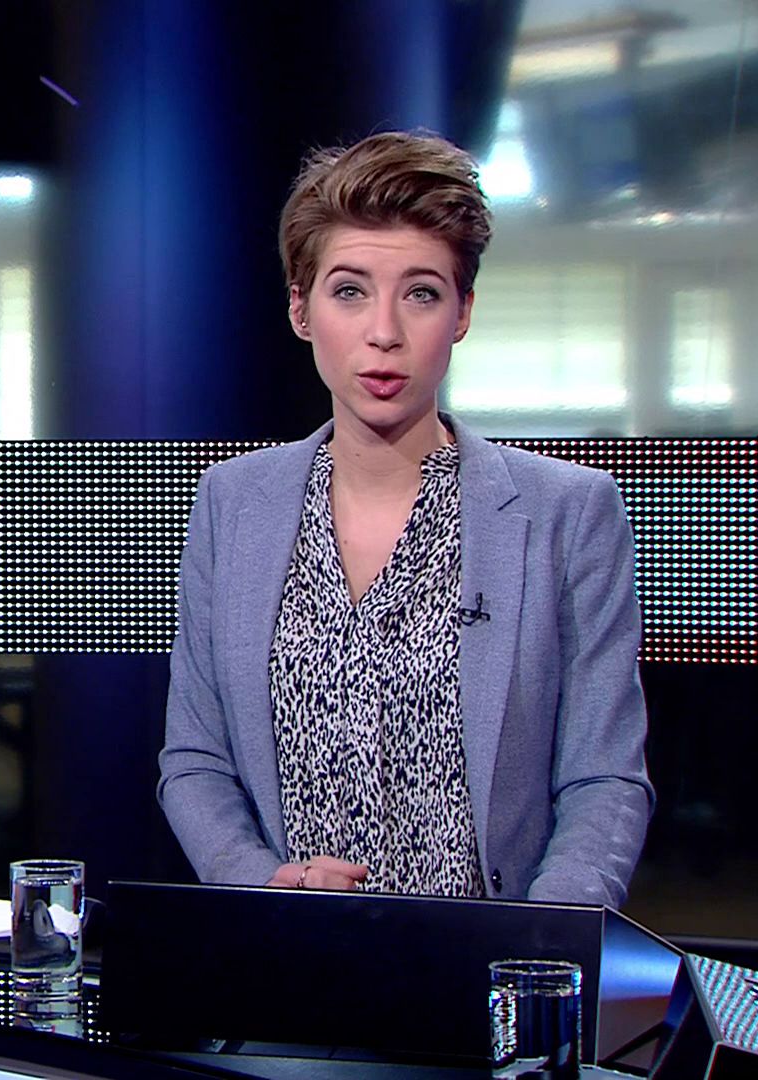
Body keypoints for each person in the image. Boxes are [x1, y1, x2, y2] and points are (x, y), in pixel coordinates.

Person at [157, 131, 654, 908]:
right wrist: (262, 883)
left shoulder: (567, 512)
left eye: (421, 293)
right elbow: (196, 759)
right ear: (300, 308)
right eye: (349, 291)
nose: (384, 331)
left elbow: (604, 777)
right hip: (291, 953)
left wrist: (544, 935)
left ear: (462, 313)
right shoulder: (233, 503)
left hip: (491, 962)